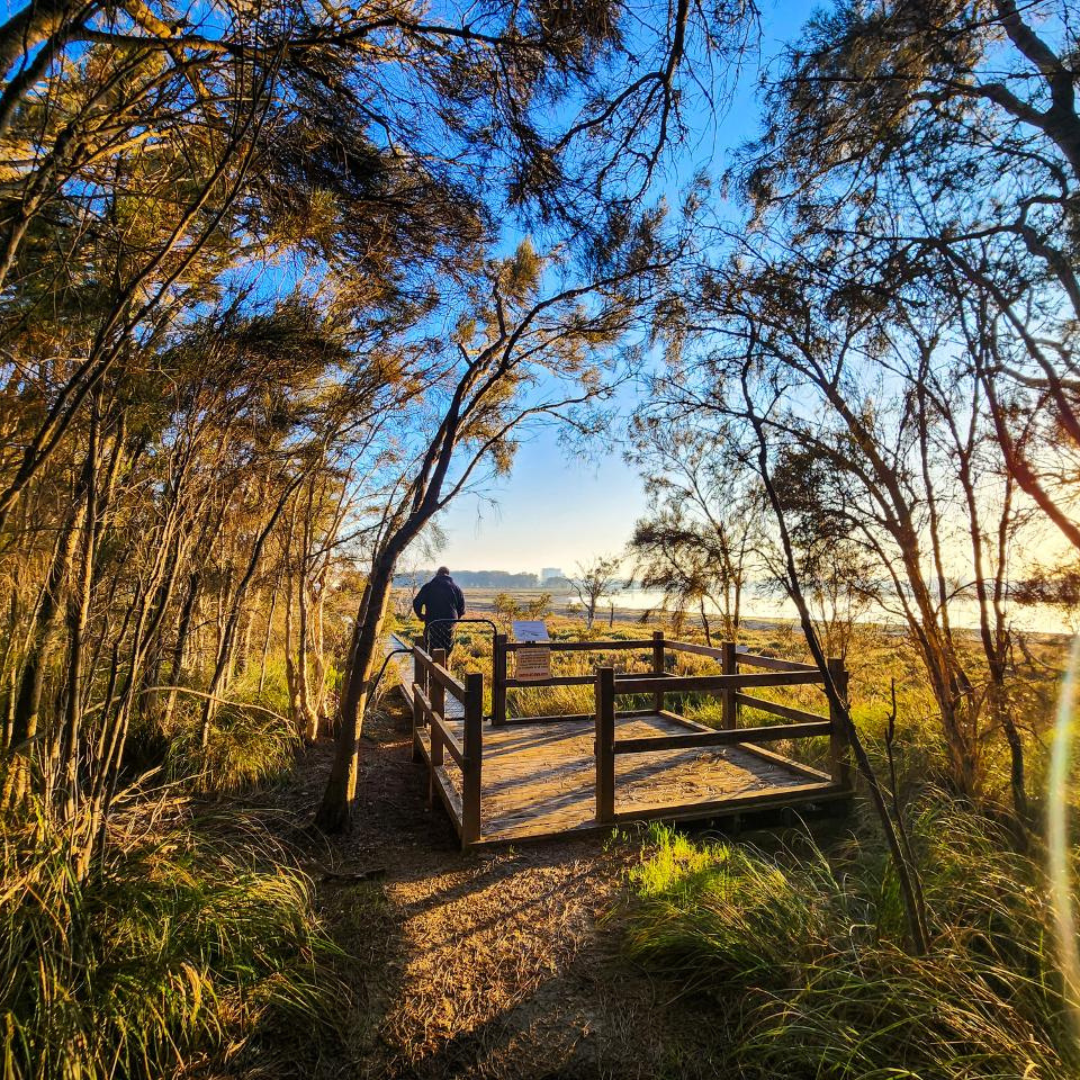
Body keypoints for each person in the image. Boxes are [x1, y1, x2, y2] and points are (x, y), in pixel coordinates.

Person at [412, 567, 465, 657]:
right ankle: (445, 667)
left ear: (437, 574)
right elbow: (462, 609)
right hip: (450, 624)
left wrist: (421, 616)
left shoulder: (428, 586)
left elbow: (417, 603)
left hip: (432, 623)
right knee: (447, 651)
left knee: (432, 649)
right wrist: (455, 621)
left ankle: (432, 668)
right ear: (448, 574)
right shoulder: (456, 588)